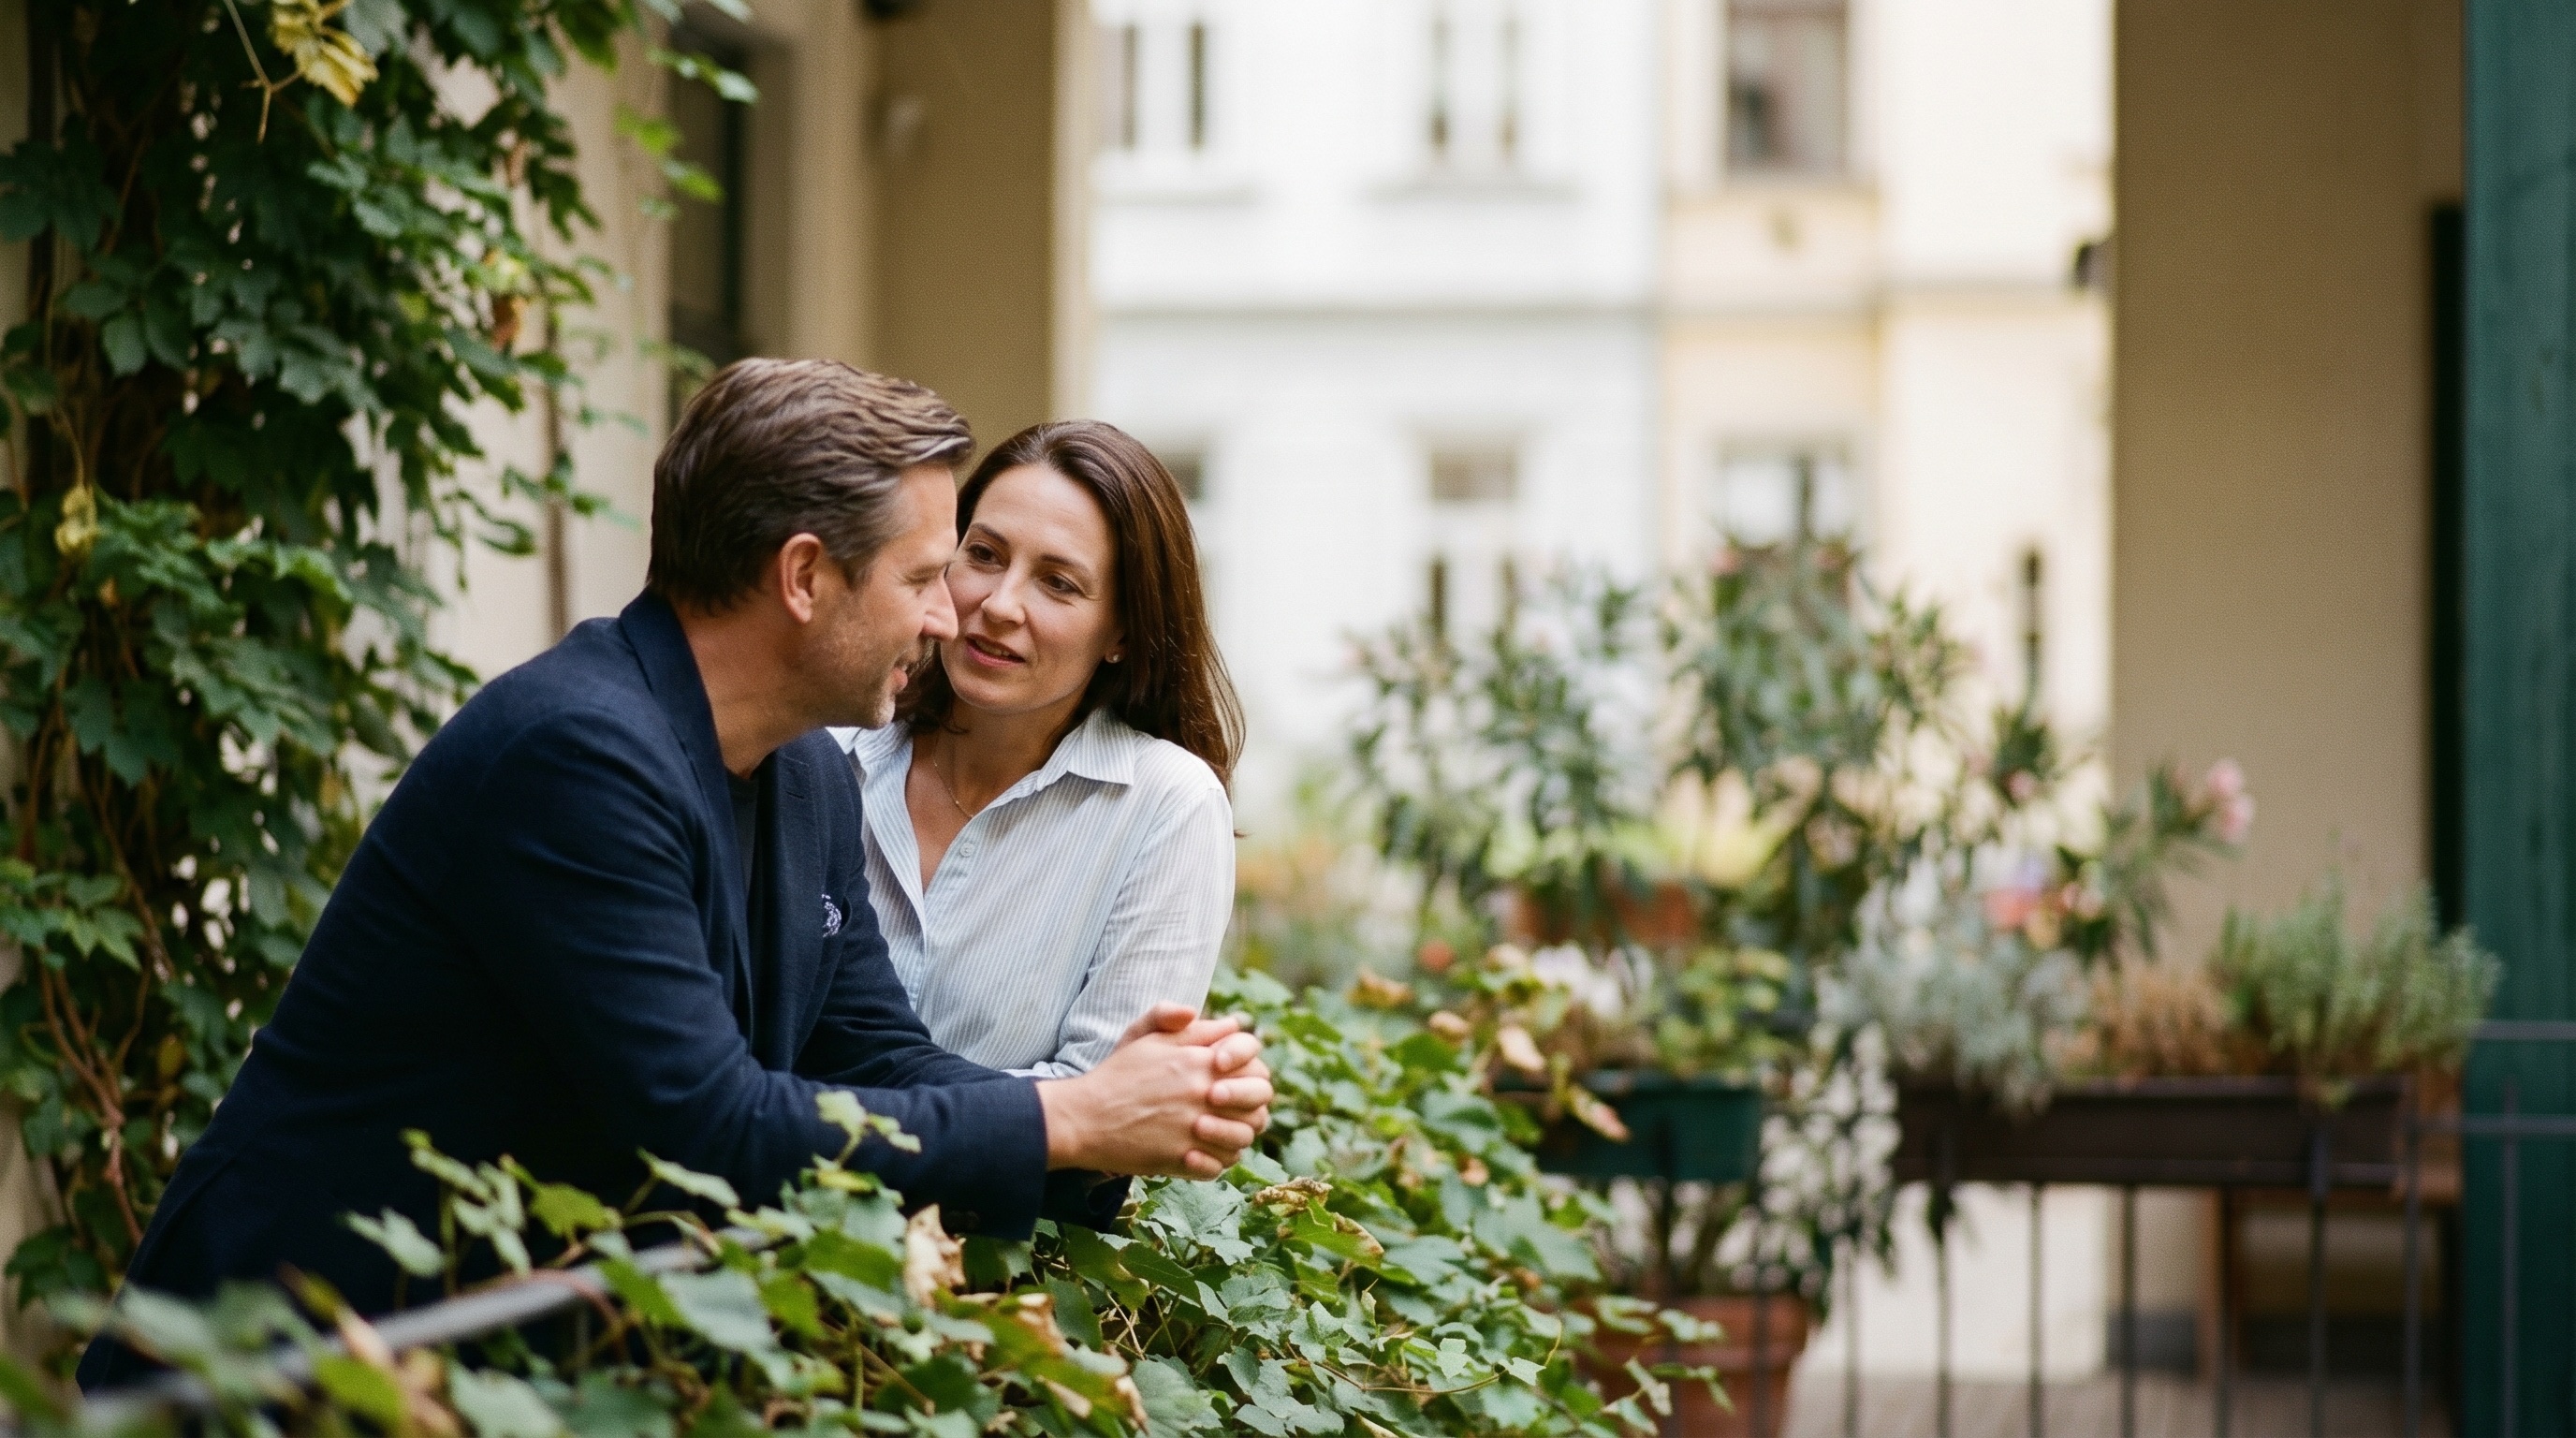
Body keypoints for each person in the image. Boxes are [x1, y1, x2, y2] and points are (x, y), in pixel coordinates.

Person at [78, 361, 1270, 1388]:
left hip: (472, 1361)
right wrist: (1066, 1114)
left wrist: (1119, 1124)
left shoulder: (801, 772)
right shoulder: (576, 756)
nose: (949, 621)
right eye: (927, 577)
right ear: (805, 579)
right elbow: (713, 1123)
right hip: (273, 1356)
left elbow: (866, 1052)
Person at [837, 421, 1241, 1077]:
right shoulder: (834, 746)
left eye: (1058, 583)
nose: (999, 605)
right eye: (986, 555)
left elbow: (1102, 1101)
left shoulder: (1168, 806)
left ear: (1125, 633)